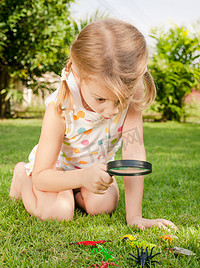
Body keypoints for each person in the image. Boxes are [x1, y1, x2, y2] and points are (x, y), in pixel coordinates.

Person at [9, 19, 176, 230]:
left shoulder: (132, 88)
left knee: (103, 205)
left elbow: (134, 149)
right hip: (55, 170)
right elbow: (43, 176)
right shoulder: (61, 105)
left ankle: (78, 192)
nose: (113, 111)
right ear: (78, 76)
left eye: (122, 100)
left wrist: (135, 217)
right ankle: (23, 175)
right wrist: (80, 177)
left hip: (95, 167)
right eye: (100, 99)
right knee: (58, 213)